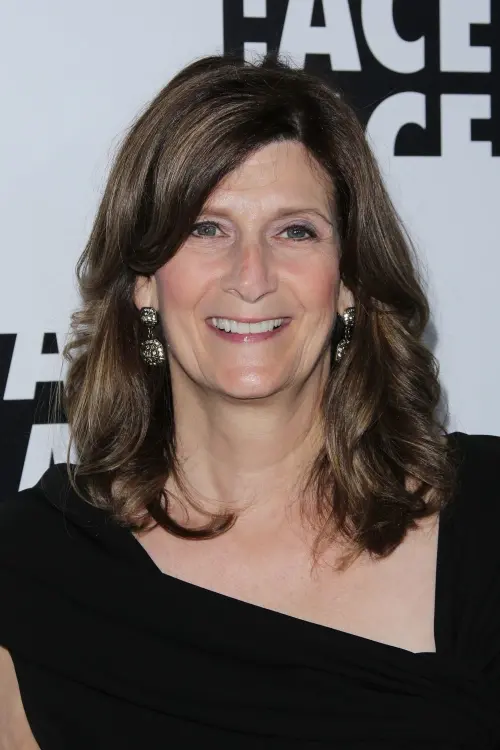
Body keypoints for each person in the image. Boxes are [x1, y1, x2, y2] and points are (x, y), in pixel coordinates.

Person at [1, 51, 499, 749]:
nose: (252, 275)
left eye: (296, 230)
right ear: (144, 282)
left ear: (349, 281)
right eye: (207, 228)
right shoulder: (33, 571)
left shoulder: (485, 516)